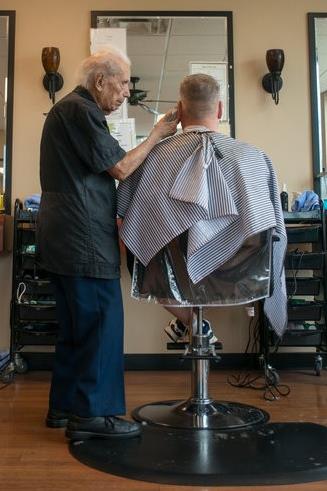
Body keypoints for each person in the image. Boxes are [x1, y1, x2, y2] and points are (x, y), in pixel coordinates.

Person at [37, 47, 179, 440]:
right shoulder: (81, 111)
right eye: (120, 87)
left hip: (61, 234)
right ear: (100, 81)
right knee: (101, 324)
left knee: (75, 329)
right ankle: (93, 416)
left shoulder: (69, 111)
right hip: (82, 237)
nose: (123, 96)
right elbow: (120, 167)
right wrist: (156, 135)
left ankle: (64, 408)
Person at [117, 74, 287, 340]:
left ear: (179, 111)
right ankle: (193, 321)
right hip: (236, 267)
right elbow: (273, 226)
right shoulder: (253, 157)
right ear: (219, 109)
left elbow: (126, 214)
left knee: (144, 250)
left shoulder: (152, 156)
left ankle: (190, 321)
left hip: (170, 268)